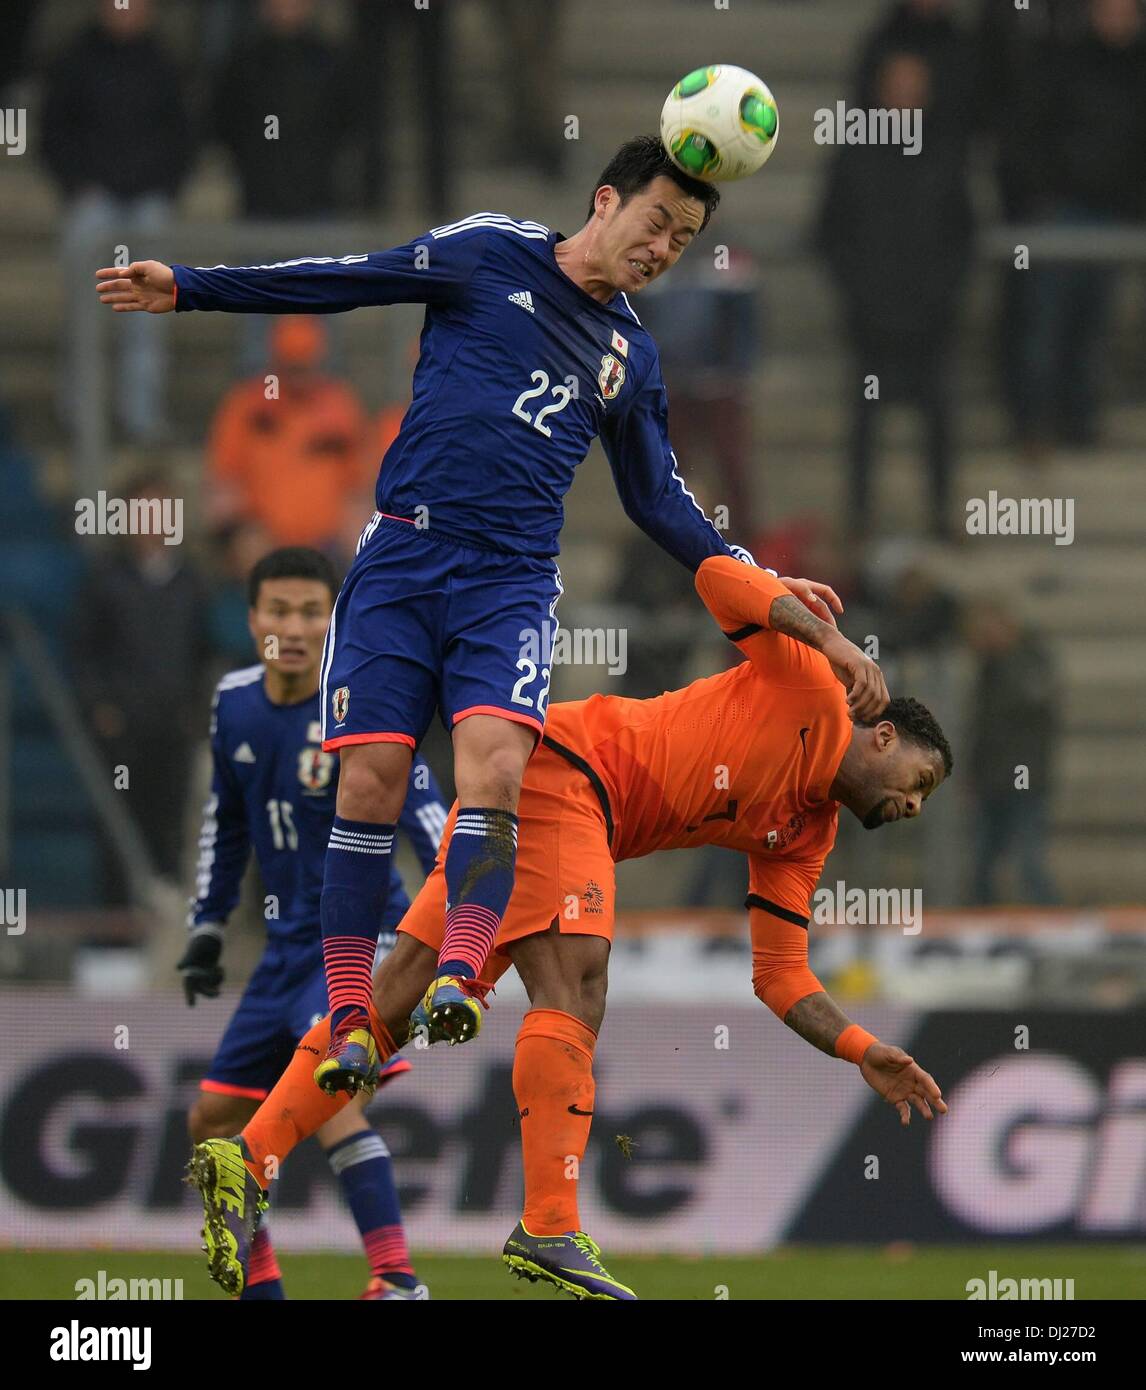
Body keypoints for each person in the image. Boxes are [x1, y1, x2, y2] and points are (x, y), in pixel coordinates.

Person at [96, 137, 844, 1099]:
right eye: (659, 222)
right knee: (367, 780)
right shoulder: (491, 251)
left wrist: (761, 579)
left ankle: (460, 971)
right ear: (605, 200)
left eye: (685, 240)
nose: (666, 249)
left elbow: (661, 501)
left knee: (494, 760)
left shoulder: (629, 356)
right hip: (404, 557)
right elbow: (350, 280)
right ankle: (355, 1012)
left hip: (510, 583)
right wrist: (192, 287)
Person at [187, 562, 953, 1301]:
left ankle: (247, 1157)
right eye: (920, 781)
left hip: (529, 786)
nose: (915, 805)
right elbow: (717, 579)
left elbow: (780, 976)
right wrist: (826, 636)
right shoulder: (815, 682)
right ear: (883, 736)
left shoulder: (805, 835)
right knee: (577, 983)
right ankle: (550, 1224)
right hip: (569, 773)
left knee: (388, 1004)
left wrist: (862, 1048)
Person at [182, 547, 448, 1299]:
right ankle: (265, 1293)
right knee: (210, 1122)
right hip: (282, 954)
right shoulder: (232, 702)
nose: (293, 628)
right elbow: (228, 822)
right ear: (252, 618)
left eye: (311, 612)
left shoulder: (368, 701)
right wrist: (207, 924)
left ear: (336, 621)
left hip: (362, 946)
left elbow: (435, 824)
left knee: (332, 1099)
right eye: (279, 611)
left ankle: (397, 1281)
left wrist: (453, 934)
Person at [43, 0, 194, 444]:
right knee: (86, 308)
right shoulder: (75, 59)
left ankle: (141, 415)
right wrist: (77, 184)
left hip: (146, 201)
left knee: (150, 309)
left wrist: (163, 188)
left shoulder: (164, 63)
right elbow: (53, 133)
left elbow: (183, 137)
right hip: (94, 201)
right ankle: (81, 414)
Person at [72, 470, 212, 902]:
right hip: (123, 733)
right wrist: (101, 707)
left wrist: (195, 708)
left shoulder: (190, 583)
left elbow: (202, 653)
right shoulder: (106, 580)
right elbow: (83, 651)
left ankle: (167, 922)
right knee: (118, 827)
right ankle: (116, 936)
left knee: (170, 823)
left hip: (174, 729)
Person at [206, 315, 371, 552]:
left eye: (304, 367)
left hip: (327, 547)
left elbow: (359, 486)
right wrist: (241, 529)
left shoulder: (340, 405)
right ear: (276, 362)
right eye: (292, 367)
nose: (298, 378)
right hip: (263, 545)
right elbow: (224, 482)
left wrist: (355, 541)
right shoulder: (247, 404)